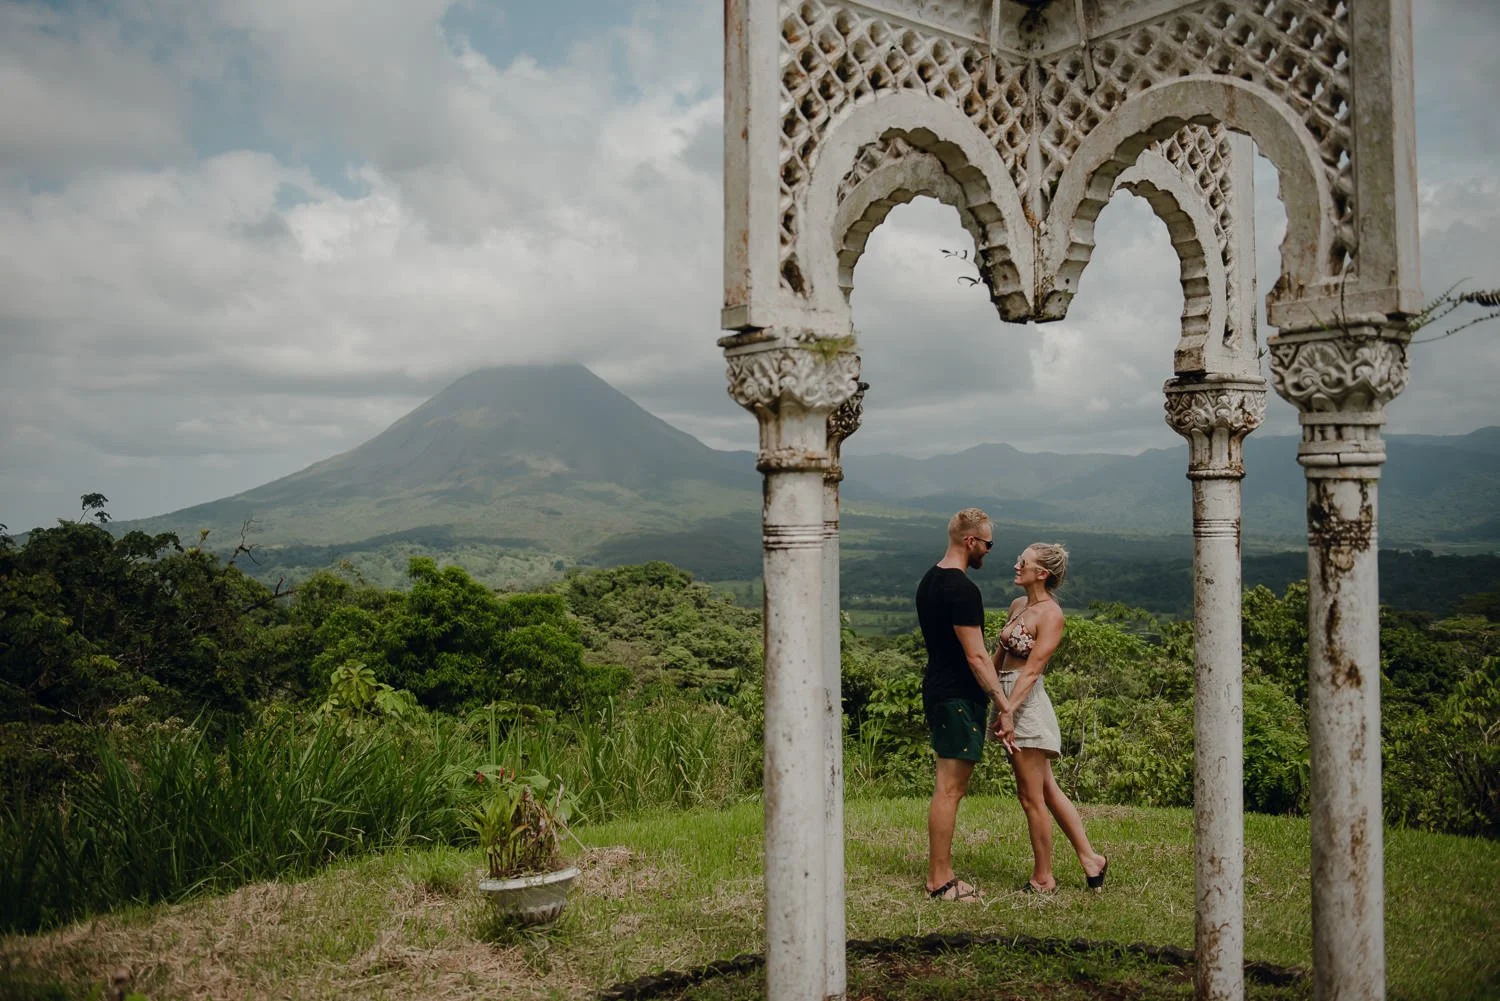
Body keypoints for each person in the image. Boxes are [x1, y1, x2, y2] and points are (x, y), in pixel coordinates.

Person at [914, 507, 1017, 901]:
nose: (989, 551)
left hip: (940, 688)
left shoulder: (930, 580)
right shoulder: (961, 589)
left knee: (948, 787)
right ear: (970, 541)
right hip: (957, 695)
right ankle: (940, 879)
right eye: (988, 544)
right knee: (950, 790)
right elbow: (976, 656)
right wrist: (1002, 704)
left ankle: (941, 873)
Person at [993, 542, 1108, 893]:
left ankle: (1043, 877)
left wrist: (1009, 711)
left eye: (1022, 562)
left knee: (1031, 796)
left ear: (1041, 573)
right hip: (1006, 696)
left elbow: (1033, 669)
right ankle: (1091, 859)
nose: (1016, 565)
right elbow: (997, 657)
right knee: (1047, 789)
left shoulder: (1051, 615)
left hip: (1025, 704)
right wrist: (988, 694)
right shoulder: (1018, 605)